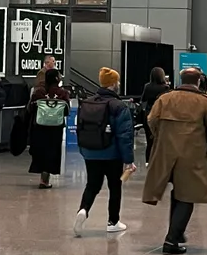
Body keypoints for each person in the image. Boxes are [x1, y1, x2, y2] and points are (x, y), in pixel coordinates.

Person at [143, 67, 207, 254]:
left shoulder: (165, 98)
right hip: (192, 154)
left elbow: (151, 120)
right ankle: (171, 240)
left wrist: (162, 135)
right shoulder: (204, 101)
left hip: (165, 152)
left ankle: (177, 232)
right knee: (187, 195)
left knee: (177, 192)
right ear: (198, 81)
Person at [72, 67, 136, 236]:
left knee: (92, 185)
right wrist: (128, 160)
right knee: (115, 186)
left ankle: (83, 210)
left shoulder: (88, 102)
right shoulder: (118, 106)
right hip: (111, 153)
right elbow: (125, 135)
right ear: (114, 84)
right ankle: (113, 221)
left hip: (90, 151)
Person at [27, 69, 71, 188]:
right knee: (52, 152)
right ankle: (45, 179)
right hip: (55, 128)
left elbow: (30, 109)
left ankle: (42, 178)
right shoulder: (63, 93)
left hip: (39, 127)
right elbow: (66, 111)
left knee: (41, 151)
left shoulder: (39, 92)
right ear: (57, 79)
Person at [140, 67, 172, 165]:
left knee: (149, 141)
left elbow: (143, 99)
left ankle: (148, 161)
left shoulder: (147, 86)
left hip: (149, 114)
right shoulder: (165, 88)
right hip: (161, 115)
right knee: (161, 141)